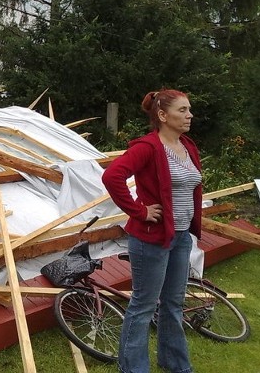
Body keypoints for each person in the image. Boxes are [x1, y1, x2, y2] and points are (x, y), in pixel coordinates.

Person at [101, 89, 202, 373]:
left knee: (173, 304)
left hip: (180, 236)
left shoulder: (187, 146)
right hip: (151, 239)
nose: (189, 115)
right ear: (162, 115)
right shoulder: (148, 147)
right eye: (182, 110)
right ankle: (133, 368)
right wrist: (139, 210)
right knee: (143, 306)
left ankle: (176, 364)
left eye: (189, 109)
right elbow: (112, 176)